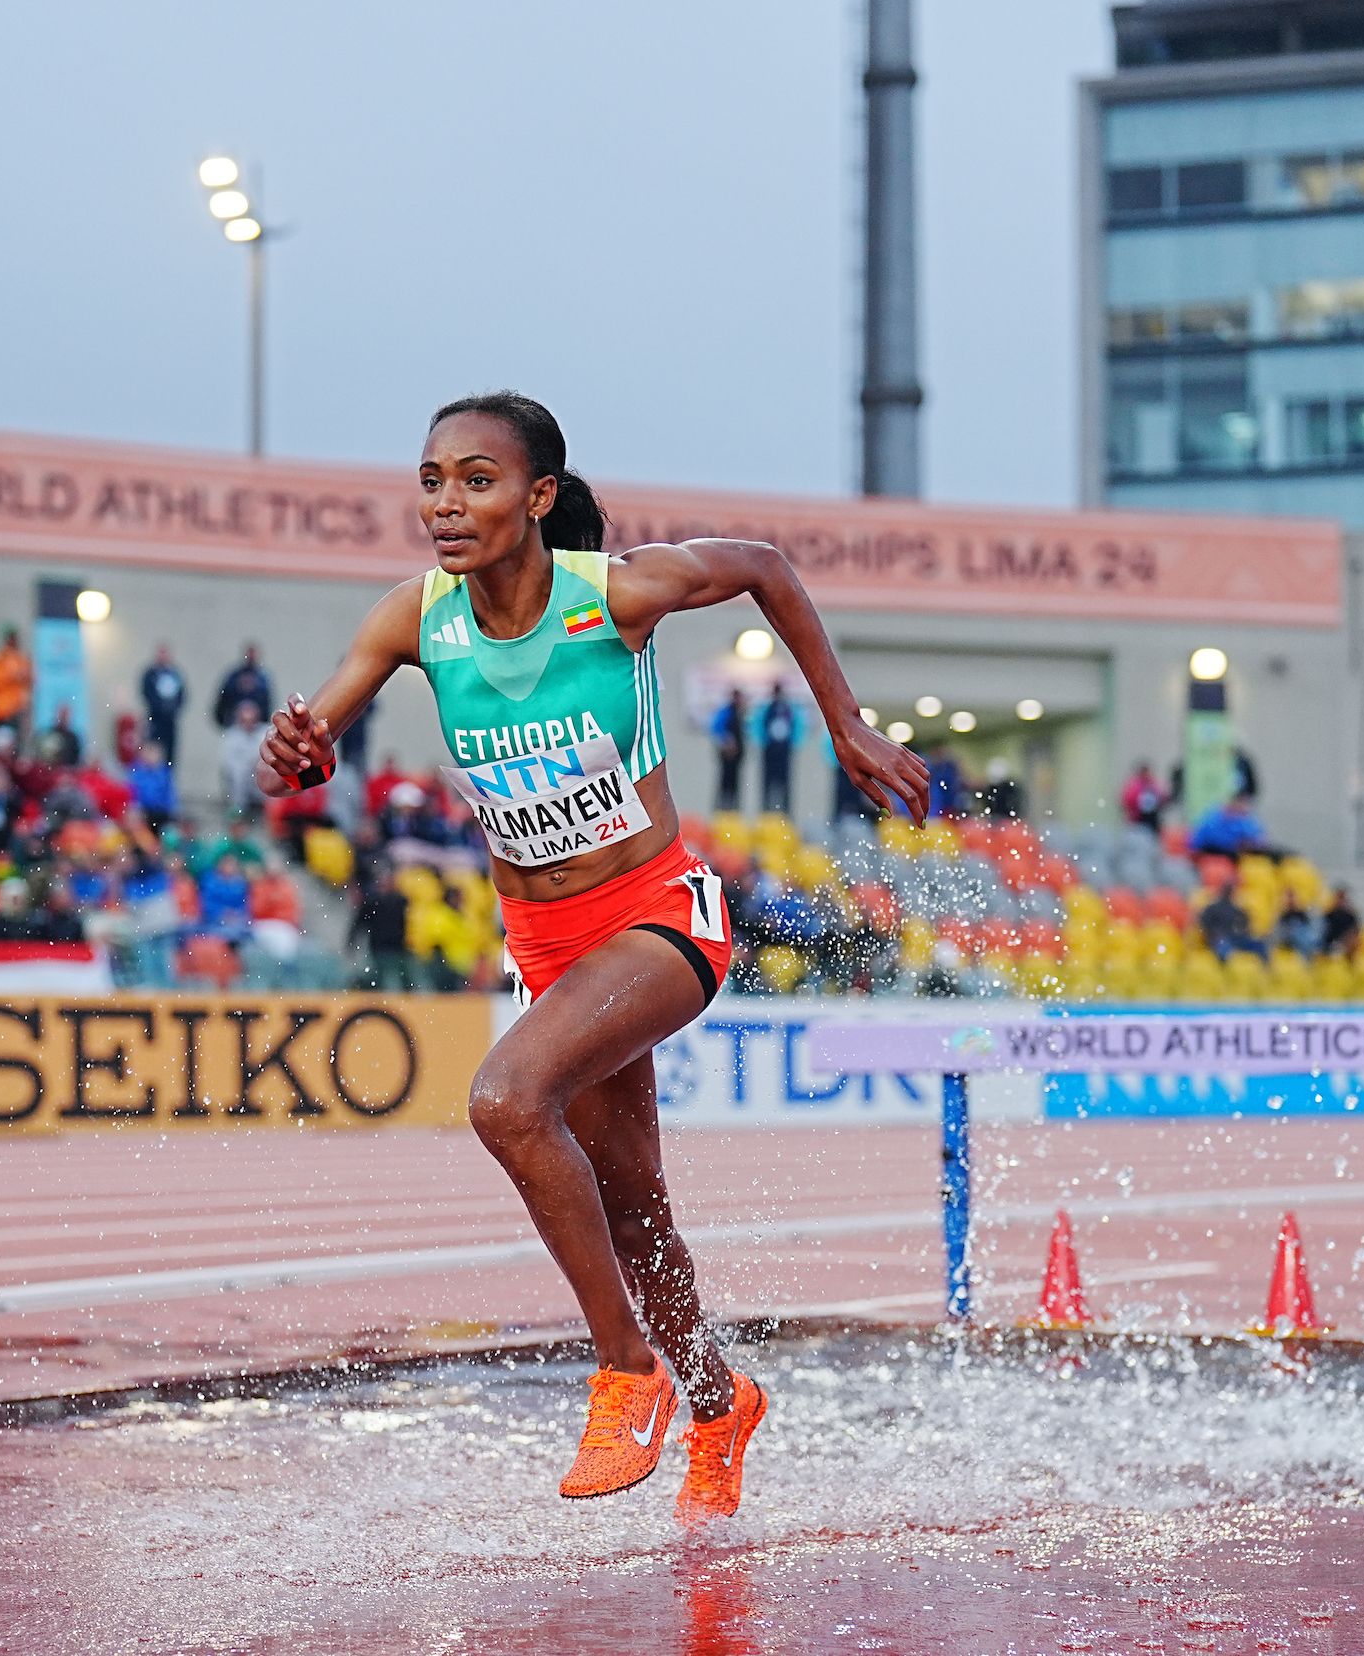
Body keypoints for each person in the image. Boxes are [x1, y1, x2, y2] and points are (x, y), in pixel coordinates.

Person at [256, 391, 927, 1522]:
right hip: (548, 942)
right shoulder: (415, 621)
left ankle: (626, 1372)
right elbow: (311, 739)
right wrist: (299, 748)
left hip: (661, 914)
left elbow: (764, 564)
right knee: (637, 1213)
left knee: (508, 1099)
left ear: (537, 497)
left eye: (477, 478)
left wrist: (844, 723)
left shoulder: (610, 596)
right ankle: (722, 1404)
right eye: (431, 481)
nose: (447, 504)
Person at [218, 701, 268, 818]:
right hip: (240, 778)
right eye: (245, 721)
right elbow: (227, 762)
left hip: (260, 773)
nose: (248, 724)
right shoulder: (231, 736)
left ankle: (270, 809)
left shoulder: (265, 732)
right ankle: (238, 810)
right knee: (238, 771)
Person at [757, 684, 799, 816]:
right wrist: (764, 742)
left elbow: (797, 727)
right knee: (767, 783)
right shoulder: (768, 709)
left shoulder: (789, 710)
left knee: (784, 784)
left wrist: (792, 744)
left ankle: (785, 813)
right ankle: (766, 812)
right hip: (770, 751)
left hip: (784, 751)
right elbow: (758, 726)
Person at [1190, 791, 1273, 858]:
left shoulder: (1245, 818)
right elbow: (1202, 839)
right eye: (1238, 801)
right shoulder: (1213, 817)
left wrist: (1253, 843)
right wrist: (1236, 843)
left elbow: (1260, 838)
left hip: (1241, 853)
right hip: (1213, 852)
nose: (1241, 805)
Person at [140, 644, 186, 765]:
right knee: (154, 750)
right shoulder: (151, 675)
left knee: (170, 753)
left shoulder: (175, 674)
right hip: (155, 720)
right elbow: (146, 694)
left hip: (170, 721)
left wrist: (173, 710)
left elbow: (182, 695)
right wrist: (159, 708)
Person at [0, 626, 32, 738]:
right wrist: (10, 675)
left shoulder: (21, 660)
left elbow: (30, 681)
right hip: (1, 712)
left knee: (15, 746)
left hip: (17, 712)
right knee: (0, 744)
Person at [213, 644, 271, 730]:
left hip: (257, 728)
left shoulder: (263, 678)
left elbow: (267, 701)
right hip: (234, 725)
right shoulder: (234, 675)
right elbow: (224, 698)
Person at [708, 690, 747, 814]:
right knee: (725, 783)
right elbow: (716, 728)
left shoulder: (741, 713)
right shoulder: (726, 712)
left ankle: (734, 810)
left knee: (735, 784)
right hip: (727, 756)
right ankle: (722, 809)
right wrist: (726, 741)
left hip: (737, 757)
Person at [1120, 761, 1166, 833]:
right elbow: (1127, 800)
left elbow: (1161, 797)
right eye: (1145, 772)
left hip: (1152, 818)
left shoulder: (1153, 783)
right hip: (1138, 818)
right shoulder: (1134, 785)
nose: (1147, 774)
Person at [1320, 886, 1361, 959]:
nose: (1341, 901)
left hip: (1344, 945)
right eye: (1339, 898)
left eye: (1343, 898)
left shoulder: (1350, 916)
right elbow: (1323, 934)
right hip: (1330, 946)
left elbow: (1356, 931)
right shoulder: (1329, 915)